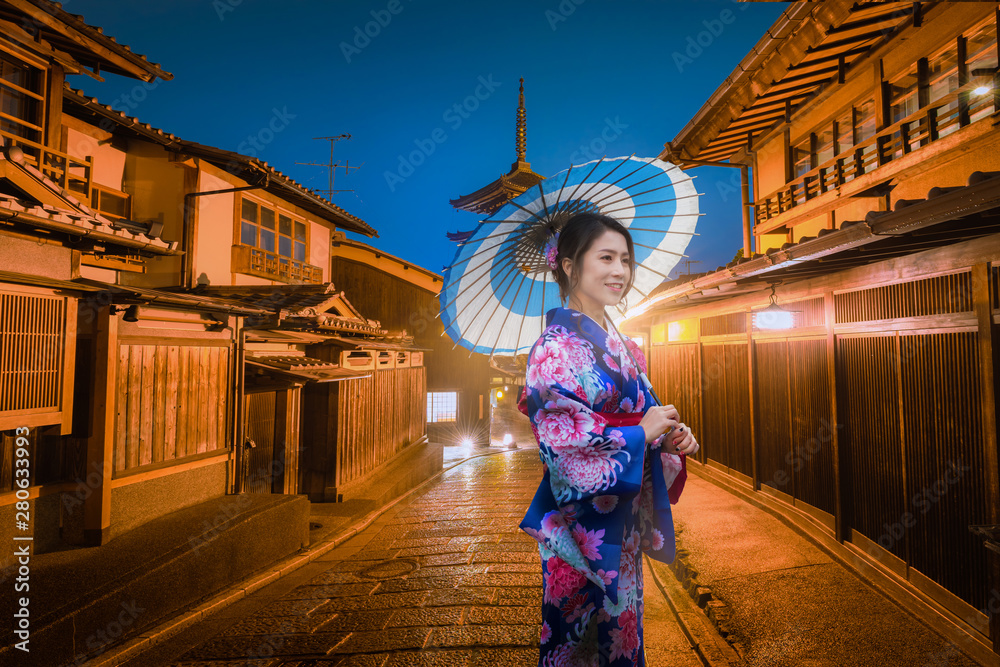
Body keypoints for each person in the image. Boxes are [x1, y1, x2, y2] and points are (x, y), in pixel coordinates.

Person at [516, 211, 699, 666]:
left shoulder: (626, 346)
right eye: (606, 257)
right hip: (581, 530)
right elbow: (562, 445)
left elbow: (647, 421)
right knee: (580, 641)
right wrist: (640, 433)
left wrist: (668, 440)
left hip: (624, 522)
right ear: (569, 265)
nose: (620, 271)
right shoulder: (553, 349)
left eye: (625, 259)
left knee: (623, 634)